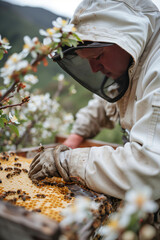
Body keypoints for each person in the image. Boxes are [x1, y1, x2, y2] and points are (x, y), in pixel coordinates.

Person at [29, 0, 160, 200]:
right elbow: (107, 104)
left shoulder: (156, 68)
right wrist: (76, 136)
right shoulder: (133, 62)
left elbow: (151, 166)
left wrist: (66, 162)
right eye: (87, 60)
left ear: (125, 38)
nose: (93, 69)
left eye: (97, 57)